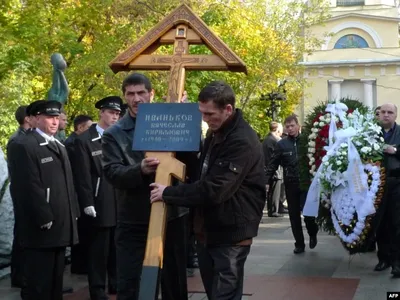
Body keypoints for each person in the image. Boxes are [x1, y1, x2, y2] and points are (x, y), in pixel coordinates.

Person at [150, 81, 266, 300]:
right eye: (201, 113)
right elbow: (200, 172)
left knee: (224, 296)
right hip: (209, 230)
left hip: (230, 235)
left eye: (209, 114)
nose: (205, 119)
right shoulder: (217, 131)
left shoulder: (241, 141)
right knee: (215, 294)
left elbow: (214, 190)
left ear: (228, 109)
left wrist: (168, 193)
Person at [101, 73, 189, 300]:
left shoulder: (170, 122)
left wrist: (186, 120)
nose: (136, 98)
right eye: (130, 94)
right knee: (130, 283)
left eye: (141, 92)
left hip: (172, 215)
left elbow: (192, 159)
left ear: (151, 94)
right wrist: (139, 169)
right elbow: (112, 172)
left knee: (174, 282)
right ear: (125, 97)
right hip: (134, 218)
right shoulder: (115, 134)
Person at [7, 100, 79, 300]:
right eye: (49, 117)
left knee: (55, 282)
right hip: (41, 228)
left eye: (57, 117)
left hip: (60, 224)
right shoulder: (24, 145)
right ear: (36, 118)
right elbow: (27, 186)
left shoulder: (57, 144)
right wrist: (43, 216)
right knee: (38, 282)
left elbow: (67, 184)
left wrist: (73, 213)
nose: (55, 122)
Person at [72, 96, 120, 299]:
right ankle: (97, 289)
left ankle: (116, 283)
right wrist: (87, 202)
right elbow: (82, 176)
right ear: (101, 112)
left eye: (117, 114)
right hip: (99, 200)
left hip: (119, 199)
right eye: (111, 112)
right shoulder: (85, 140)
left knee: (117, 247)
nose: (114, 117)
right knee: (98, 251)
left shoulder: (118, 136)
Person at [265, 114, 318, 254]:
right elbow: (272, 164)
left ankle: (313, 233)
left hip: (306, 183)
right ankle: (299, 244)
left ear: (298, 126)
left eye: (292, 125)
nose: (290, 128)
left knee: (308, 215)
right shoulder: (281, 144)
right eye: (287, 126)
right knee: (294, 216)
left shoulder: (307, 141)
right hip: (291, 183)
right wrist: (266, 181)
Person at [65, 114, 93, 275]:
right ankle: (79, 266)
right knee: (82, 231)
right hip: (76, 192)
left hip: (79, 191)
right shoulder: (73, 143)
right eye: (89, 128)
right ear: (80, 128)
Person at [374, 103, 400, 277]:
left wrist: (395, 150)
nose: (386, 115)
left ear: (395, 115)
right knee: (380, 223)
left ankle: (397, 262)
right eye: (383, 112)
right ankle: (383, 258)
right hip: (376, 184)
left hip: (397, 182)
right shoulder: (372, 133)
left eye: (390, 112)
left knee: (397, 223)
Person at [7, 105, 31, 290]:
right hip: (23, 195)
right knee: (22, 237)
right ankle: (19, 276)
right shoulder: (18, 141)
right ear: (28, 119)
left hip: (25, 194)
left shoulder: (25, 138)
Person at [262, 121, 284, 217]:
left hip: (269, 169)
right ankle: (274, 210)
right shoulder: (274, 140)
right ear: (278, 129)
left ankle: (274, 209)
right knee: (275, 190)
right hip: (275, 170)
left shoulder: (267, 139)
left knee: (272, 190)